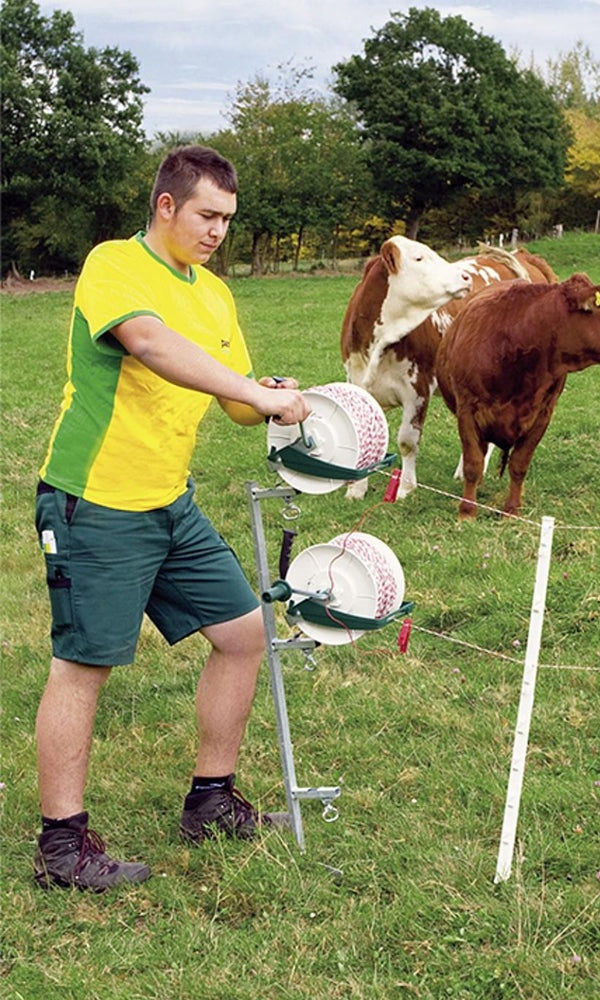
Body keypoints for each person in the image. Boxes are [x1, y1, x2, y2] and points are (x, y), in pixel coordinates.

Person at [33, 145, 311, 891]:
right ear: (166, 206)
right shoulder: (112, 266)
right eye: (207, 215)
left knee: (245, 633)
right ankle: (62, 845)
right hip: (95, 502)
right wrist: (255, 394)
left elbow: (232, 401)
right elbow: (151, 345)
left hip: (169, 502)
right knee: (84, 664)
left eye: (227, 219)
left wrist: (267, 392)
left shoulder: (216, 297)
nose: (218, 231)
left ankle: (211, 800)